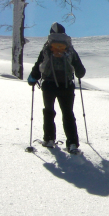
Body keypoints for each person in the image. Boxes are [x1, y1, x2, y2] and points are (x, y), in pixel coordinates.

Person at [27, 22, 86, 154]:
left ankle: (49, 139)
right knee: (68, 113)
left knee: (49, 111)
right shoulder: (69, 49)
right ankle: (72, 144)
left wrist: (32, 79)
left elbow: (38, 66)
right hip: (66, 86)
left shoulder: (47, 48)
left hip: (49, 85)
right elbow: (80, 71)